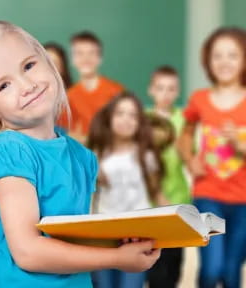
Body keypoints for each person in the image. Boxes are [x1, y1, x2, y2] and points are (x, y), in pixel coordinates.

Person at [0, 20, 160, 288]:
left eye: (28, 66)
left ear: (50, 63)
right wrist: (116, 257)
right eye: (3, 86)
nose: (26, 85)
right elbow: (28, 251)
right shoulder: (10, 150)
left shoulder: (81, 156)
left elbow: (73, 239)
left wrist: (126, 241)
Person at [178, 27, 246, 288]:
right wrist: (189, 158)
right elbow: (184, 135)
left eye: (232, 55)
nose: (224, 62)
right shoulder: (200, 99)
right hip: (208, 195)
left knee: (230, 272)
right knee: (210, 269)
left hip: (243, 201)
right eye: (217, 56)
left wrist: (238, 144)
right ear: (208, 61)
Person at [88, 91, 164, 288]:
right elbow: (90, 199)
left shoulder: (146, 157)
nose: (126, 120)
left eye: (133, 115)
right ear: (110, 118)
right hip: (104, 237)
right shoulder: (96, 157)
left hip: (138, 237)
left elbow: (156, 194)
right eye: (120, 113)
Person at [147, 65, 191, 288]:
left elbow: (190, 155)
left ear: (178, 92)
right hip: (148, 203)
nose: (165, 94)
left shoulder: (184, 121)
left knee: (174, 261)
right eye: (160, 88)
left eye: (171, 89)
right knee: (154, 262)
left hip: (177, 199)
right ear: (151, 90)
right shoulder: (141, 120)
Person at [58, 31, 123, 143]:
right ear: (72, 60)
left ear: (100, 58)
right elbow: (68, 134)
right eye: (80, 53)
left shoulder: (116, 91)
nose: (86, 58)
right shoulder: (69, 97)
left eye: (91, 53)